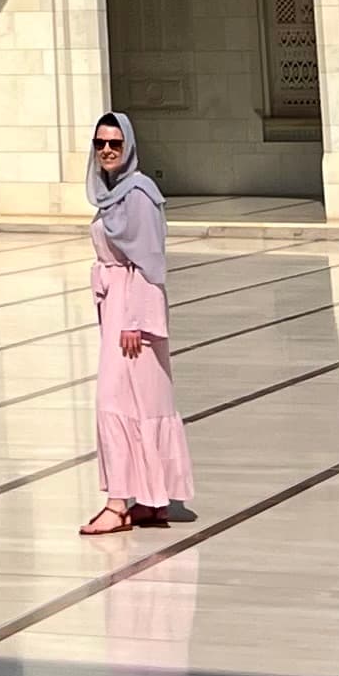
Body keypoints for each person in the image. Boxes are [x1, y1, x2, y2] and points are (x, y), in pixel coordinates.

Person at [82, 109, 192, 536]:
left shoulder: (140, 194)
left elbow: (149, 264)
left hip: (134, 314)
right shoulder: (110, 194)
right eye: (100, 144)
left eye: (115, 143)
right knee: (138, 402)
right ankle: (149, 500)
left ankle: (117, 502)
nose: (107, 150)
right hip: (117, 310)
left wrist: (133, 321)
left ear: (129, 147)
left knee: (116, 399)